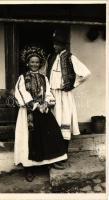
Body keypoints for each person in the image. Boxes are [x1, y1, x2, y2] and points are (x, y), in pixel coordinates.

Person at [14, 46, 67, 182]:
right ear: (27, 63)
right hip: (29, 112)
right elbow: (21, 93)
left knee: (49, 134)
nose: (34, 64)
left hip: (43, 111)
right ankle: (28, 168)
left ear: (40, 63)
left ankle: (50, 161)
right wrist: (35, 105)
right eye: (32, 62)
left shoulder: (44, 78)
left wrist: (46, 103)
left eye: (37, 62)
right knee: (28, 139)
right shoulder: (22, 78)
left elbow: (48, 93)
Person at [47, 28, 91, 168]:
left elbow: (86, 73)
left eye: (58, 44)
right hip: (52, 96)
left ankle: (63, 155)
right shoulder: (51, 57)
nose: (55, 46)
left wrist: (72, 85)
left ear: (64, 45)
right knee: (53, 126)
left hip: (64, 97)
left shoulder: (70, 57)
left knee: (64, 126)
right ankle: (54, 156)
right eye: (54, 43)